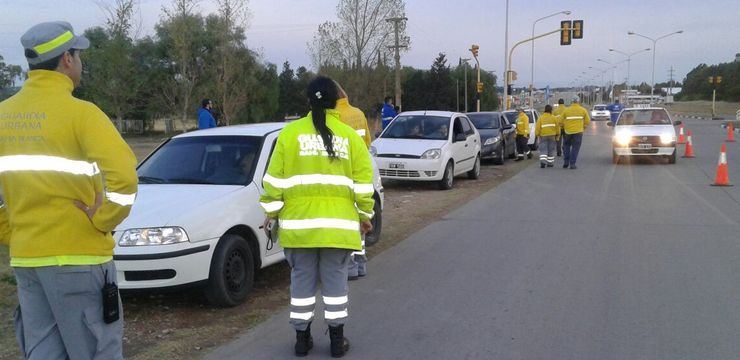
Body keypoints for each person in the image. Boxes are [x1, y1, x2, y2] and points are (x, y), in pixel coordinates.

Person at [0, 21, 138, 360]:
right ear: (67, 59)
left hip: (28, 259)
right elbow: (125, 179)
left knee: (44, 351)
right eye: (79, 55)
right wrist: (103, 220)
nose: (81, 63)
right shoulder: (82, 113)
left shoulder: (2, 115)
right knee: (96, 350)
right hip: (80, 257)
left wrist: (10, 231)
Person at [260, 76, 374, 358]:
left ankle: (302, 339)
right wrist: (365, 215)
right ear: (338, 101)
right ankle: (336, 340)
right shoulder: (349, 137)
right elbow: (363, 184)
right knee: (335, 283)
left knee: (301, 284)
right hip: (338, 229)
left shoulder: (289, 135)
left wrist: (271, 214)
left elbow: (273, 182)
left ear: (308, 101)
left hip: (299, 230)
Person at [333, 81, 371, 280]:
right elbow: (367, 144)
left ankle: (348, 268)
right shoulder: (358, 113)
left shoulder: (334, 117)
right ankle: (360, 265)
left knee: (346, 224)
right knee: (360, 224)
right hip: (360, 174)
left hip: (343, 175)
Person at [561, 96, 591, 169]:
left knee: (566, 146)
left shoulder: (566, 110)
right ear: (578, 101)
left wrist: (564, 126)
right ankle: (572, 164)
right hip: (578, 132)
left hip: (568, 132)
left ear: (571, 102)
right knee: (575, 148)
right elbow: (588, 121)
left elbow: (560, 121)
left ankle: (566, 162)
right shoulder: (583, 110)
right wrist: (584, 127)